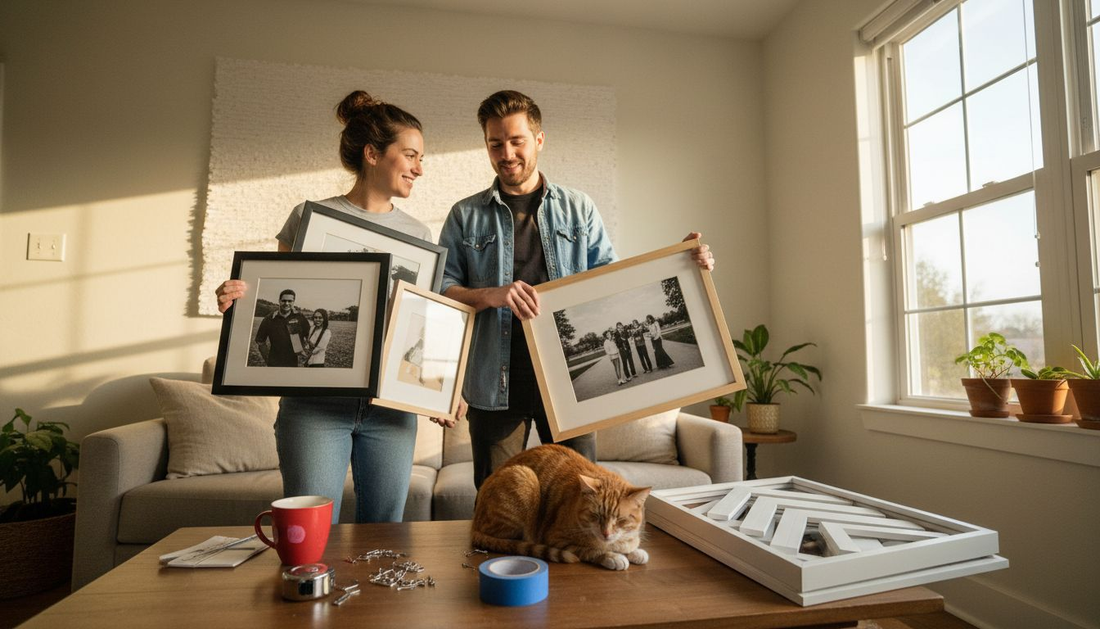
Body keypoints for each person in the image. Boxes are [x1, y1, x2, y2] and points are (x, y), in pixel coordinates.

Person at [437, 89, 715, 489]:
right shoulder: (465, 215)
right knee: (498, 499)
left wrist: (683, 263)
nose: (507, 153)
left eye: (516, 141)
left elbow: (610, 284)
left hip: (570, 381)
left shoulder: (578, 208)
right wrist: (491, 295)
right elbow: (443, 288)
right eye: (495, 144)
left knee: (582, 494)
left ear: (539, 139)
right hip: (494, 382)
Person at [214, 90, 451, 524]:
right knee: (309, 533)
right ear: (373, 154)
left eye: (422, 158)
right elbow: (277, 291)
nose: (420, 168)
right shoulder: (310, 217)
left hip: (390, 412)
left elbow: (420, 326)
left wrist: (440, 389)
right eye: (411, 155)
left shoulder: (419, 233)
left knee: (385, 536)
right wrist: (236, 298)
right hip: (314, 407)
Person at [254, 289, 310, 367]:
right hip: (274, 362)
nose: (286, 303)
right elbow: (260, 341)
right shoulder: (269, 319)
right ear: (279, 301)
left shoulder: (300, 317)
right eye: (284, 301)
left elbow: (309, 335)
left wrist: (304, 349)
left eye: (290, 301)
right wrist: (268, 360)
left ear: (293, 302)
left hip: (293, 362)